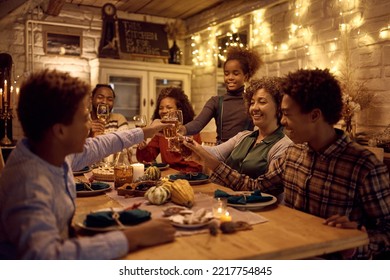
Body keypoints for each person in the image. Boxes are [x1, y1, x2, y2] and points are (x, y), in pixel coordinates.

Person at [184, 68, 390, 259]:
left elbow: (385, 234)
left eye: (288, 115)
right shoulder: (293, 154)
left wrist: (354, 244)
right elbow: (255, 188)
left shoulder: (364, 166)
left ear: (315, 115)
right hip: (284, 250)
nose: (282, 121)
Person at [0, 69, 175, 259]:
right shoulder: (29, 185)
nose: (90, 125)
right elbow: (48, 258)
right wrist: (133, 237)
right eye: (84, 119)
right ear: (60, 131)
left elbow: (101, 144)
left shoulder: (52, 151)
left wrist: (146, 131)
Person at [202, 77, 292, 179]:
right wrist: (187, 144)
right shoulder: (243, 136)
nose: (254, 108)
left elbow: (264, 187)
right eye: (252, 103)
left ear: (279, 107)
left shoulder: (284, 146)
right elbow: (215, 153)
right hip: (225, 193)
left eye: (262, 102)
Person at [178, 46, 262, 144]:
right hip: (221, 154)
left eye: (235, 73)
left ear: (246, 76)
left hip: (245, 153)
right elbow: (198, 124)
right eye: (226, 74)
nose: (230, 77)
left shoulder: (252, 101)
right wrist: (183, 129)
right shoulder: (216, 102)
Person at [136, 87, 202, 172]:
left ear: (179, 111)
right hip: (168, 179)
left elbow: (195, 167)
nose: (164, 111)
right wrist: (143, 147)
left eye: (169, 107)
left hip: (188, 180)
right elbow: (147, 159)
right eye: (161, 108)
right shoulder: (161, 133)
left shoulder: (191, 130)